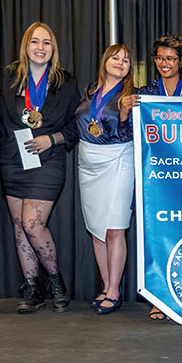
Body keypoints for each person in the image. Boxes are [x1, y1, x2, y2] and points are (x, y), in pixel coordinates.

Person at [0, 22, 80, 313]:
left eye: (47, 43)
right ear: (26, 46)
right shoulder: (10, 77)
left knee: (33, 224)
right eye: (35, 42)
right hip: (13, 160)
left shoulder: (65, 82)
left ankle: (55, 280)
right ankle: (31, 288)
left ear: (53, 49)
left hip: (48, 159)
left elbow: (76, 123)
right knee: (20, 226)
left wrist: (52, 138)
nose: (40, 48)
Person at [135, 34, 182, 320]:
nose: (164, 63)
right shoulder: (144, 95)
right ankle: (160, 297)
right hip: (155, 179)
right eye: (160, 58)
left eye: (170, 59)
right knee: (157, 237)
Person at [76, 44, 136, 315]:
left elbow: (131, 133)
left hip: (119, 159)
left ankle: (114, 290)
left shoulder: (131, 96)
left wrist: (124, 114)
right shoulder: (89, 91)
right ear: (104, 61)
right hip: (88, 163)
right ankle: (106, 286)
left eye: (126, 60)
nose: (120, 62)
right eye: (115, 57)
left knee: (115, 227)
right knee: (97, 229)